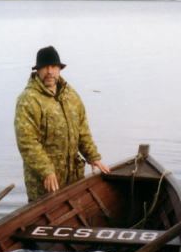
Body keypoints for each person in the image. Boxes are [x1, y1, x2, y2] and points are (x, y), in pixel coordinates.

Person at [14, 46, 110, 201]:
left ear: (59, 69)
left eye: (53, 67)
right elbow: (27, 142)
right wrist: (46, 170)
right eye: (45, 67)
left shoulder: (70, 94)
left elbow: (82, 131)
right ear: (38, 71)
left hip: (73, 175)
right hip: (44, 180)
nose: (49, 72)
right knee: (44, 216)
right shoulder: (29, 99)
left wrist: (92, 156)